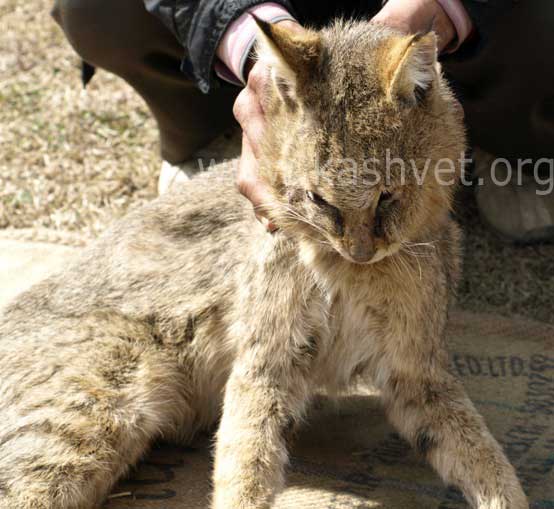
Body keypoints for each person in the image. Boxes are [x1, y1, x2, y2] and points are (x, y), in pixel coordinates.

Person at [51, 0, 554, 243]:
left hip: (441, 30)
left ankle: (513, 133)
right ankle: (211, 121)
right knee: (97, 9)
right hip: (284, 17)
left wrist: (432, 10)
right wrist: (250, 36)